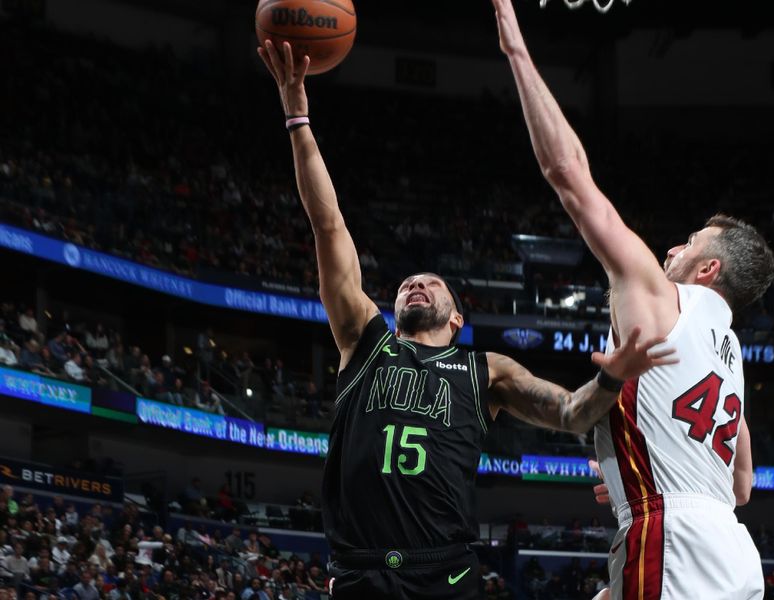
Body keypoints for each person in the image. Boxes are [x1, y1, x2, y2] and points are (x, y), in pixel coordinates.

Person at [256, 39, 675, 600]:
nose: (414, 285)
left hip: (445, 572)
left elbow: (572, 414)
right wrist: (297, 116)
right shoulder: (364, 339)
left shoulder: (486, 370)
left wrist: (612, 377)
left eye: (432, 284)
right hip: (361, 570)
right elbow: (328, 224)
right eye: (407, 283)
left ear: (457, 319)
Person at [492, 1, 774, 598]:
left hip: (673, 542)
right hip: (732, 551)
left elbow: (568, 173)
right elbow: (742, 486)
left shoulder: (658, 293)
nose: (673, 245)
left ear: (709, 267)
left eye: (691, 241)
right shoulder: (731, 354)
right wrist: (636, 474)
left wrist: (516, 52)